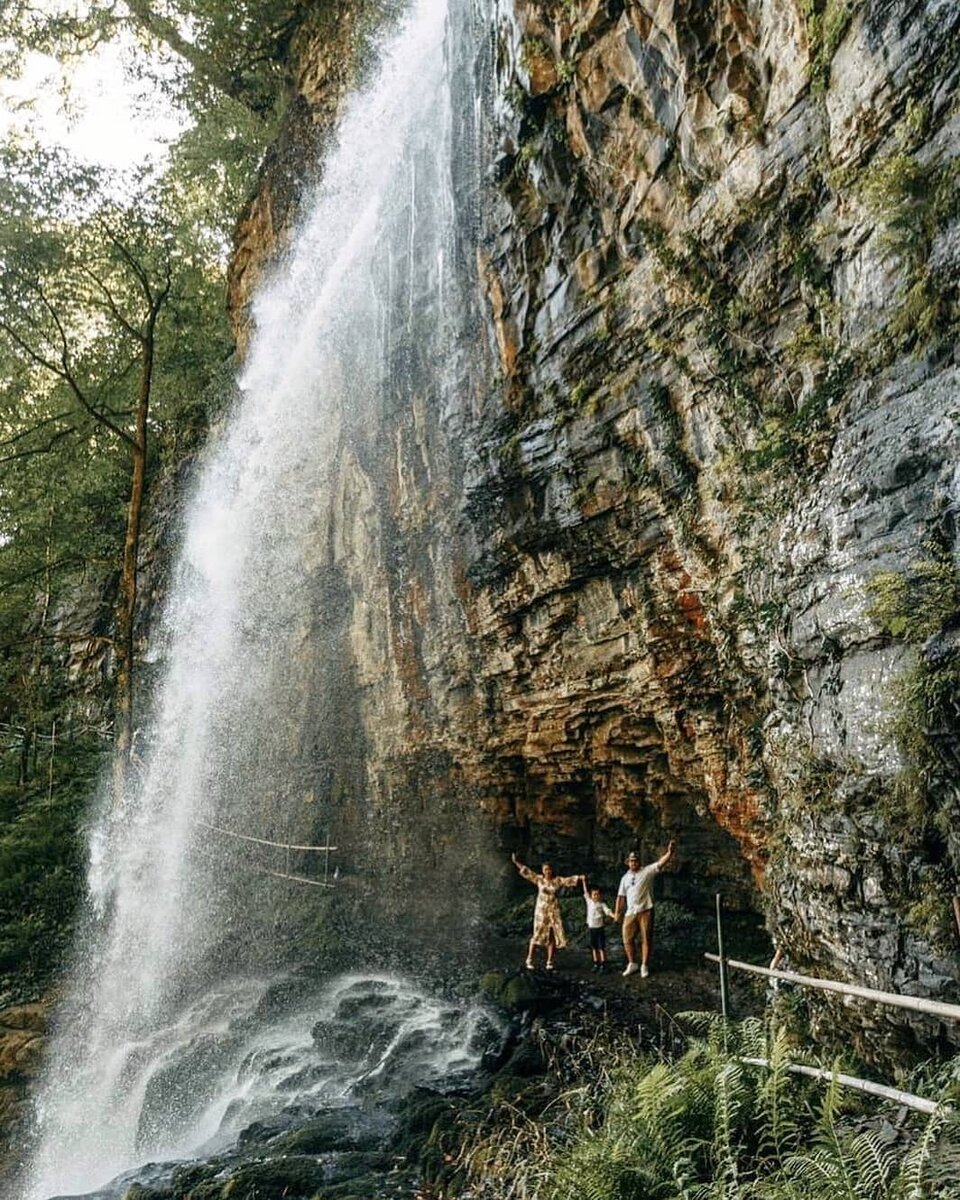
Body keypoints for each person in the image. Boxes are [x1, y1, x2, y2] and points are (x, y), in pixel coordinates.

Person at [511, 852, 583, 971]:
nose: (547, 871)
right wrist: (516, 862)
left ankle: (549, 961)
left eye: (549, 869)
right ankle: (529, 959)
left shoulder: (557, 880)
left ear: (551, 870)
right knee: (537, 934)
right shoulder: (539, 879)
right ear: (542, 870)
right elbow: (527, 872)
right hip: (541, 911)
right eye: (545, 869)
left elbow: (568, 880)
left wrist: (579, 878)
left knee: (551, 937)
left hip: (553, 911)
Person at [615, 841, 675, 978]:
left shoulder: (646, 871)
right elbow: (620, 897)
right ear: (628, 862)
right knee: (627, 939)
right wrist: (618, 912)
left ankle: (644, 965)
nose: (633, 863)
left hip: (645, 910)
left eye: (635, 861)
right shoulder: (624, 878)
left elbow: (660, 863)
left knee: (646, 939)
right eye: (631, 861)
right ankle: (632, 963)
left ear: (639, 862)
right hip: (630, 912)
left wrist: (670, 853)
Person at [582, 877, 618, 973]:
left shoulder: (602, 904)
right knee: (594, 947)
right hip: (591, 928)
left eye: (597, 894)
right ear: (591, 895)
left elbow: (607, 911)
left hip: (600, 928)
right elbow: (585, 891)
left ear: (600, 895)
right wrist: (584, 882)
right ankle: (596, 963)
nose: (596, 896)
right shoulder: (589, 902)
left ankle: (603, 964)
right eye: (594, 894)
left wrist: (614, 915)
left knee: (601, 947)